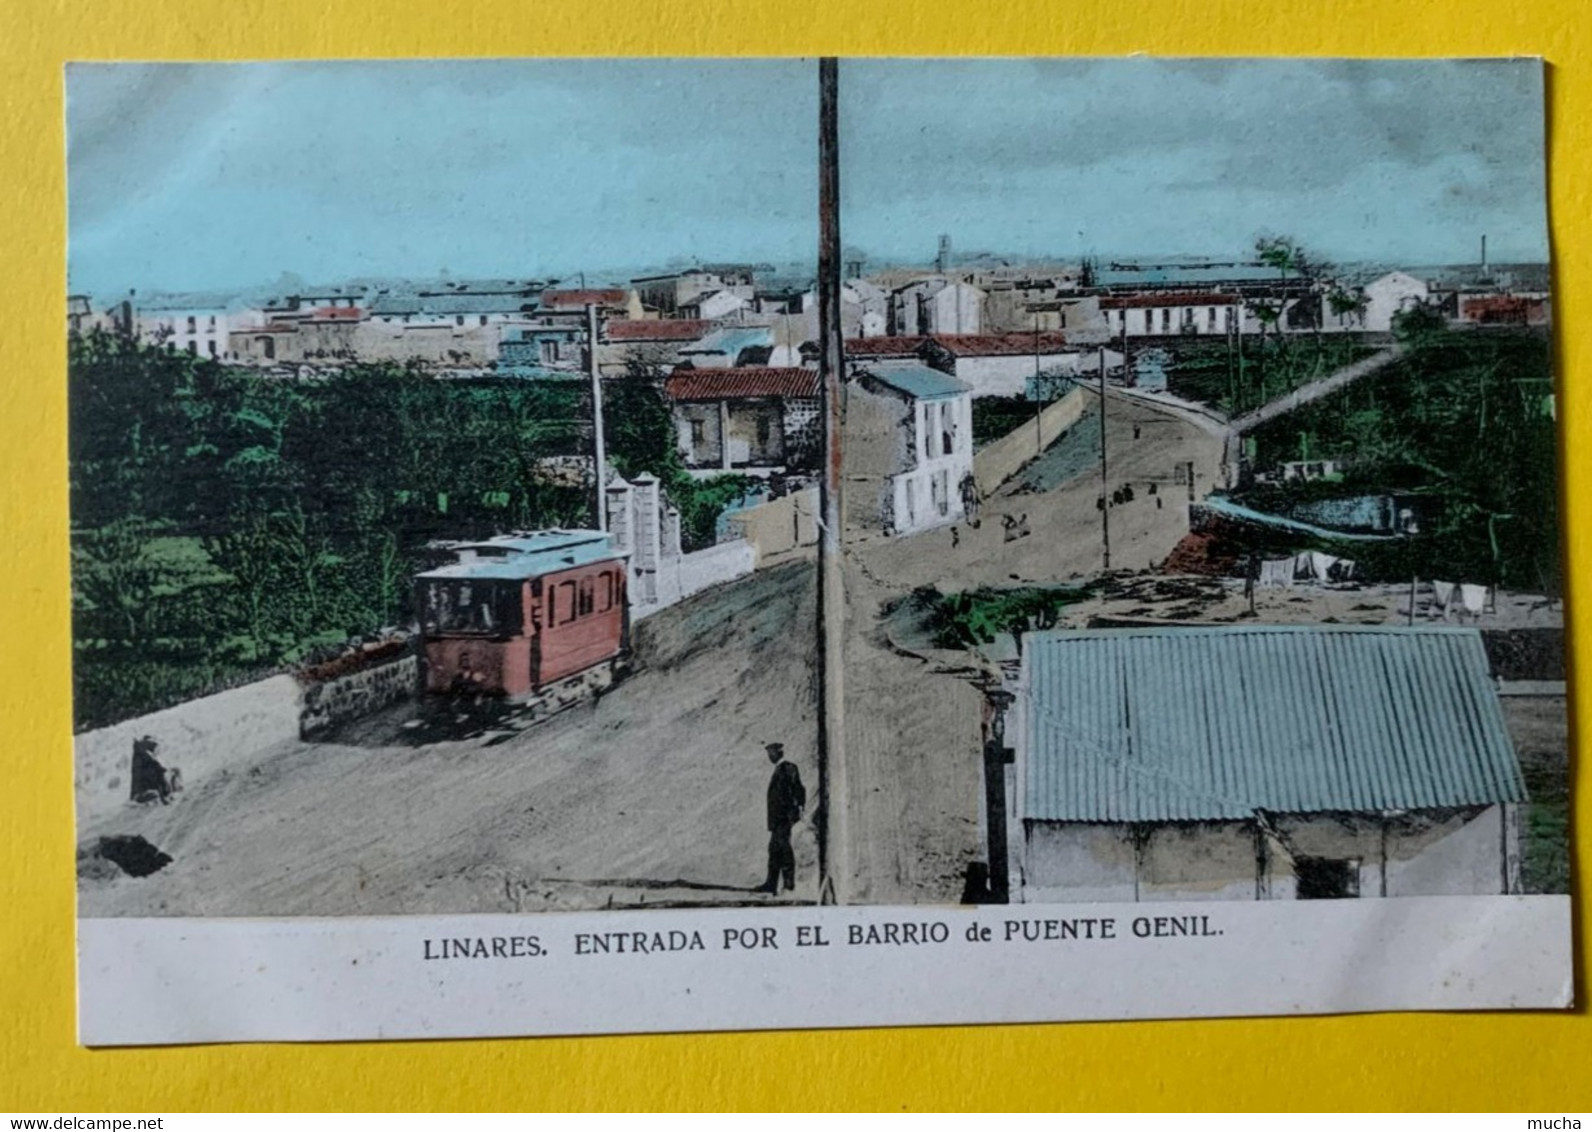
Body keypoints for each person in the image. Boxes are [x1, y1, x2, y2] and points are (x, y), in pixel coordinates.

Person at [760, 742, 805, 894]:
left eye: (771, 753)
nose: (770, 756)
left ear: (779, 753)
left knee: (783, 850)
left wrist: (798, 809)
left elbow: (798, 789)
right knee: (774, 850)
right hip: (777, 819)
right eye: (768, 753)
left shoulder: (788, 768)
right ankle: (771, 884)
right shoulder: (779, 769)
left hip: (784, 818)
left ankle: (788, 884)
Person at [129, 735, 181, 805]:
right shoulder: (143, 751)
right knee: (161, 778)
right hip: (145, 786)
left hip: (140, 787)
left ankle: (168, 793)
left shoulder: (139, 752)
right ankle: (168, 794)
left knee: (162, 776)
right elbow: (152, 764)